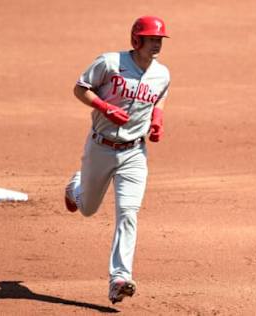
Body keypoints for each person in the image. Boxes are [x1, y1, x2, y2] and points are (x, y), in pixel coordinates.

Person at [64, 16, 170, 304]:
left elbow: (159, 97)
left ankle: (119, 278)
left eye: (160, 39)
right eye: (152, 39)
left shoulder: (162, 74)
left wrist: (157, 120)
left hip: (135, 152)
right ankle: (75, 186)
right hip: (101, 147)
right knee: (87, 208)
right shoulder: (109, 63)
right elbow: (79, 88)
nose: (157, 44)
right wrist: (104, 107)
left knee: (128, 212)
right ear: (137, 40)